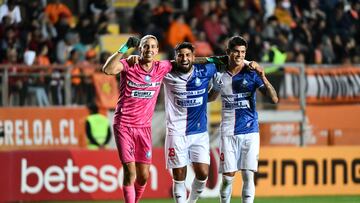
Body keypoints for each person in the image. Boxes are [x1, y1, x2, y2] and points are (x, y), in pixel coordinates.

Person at [102, 35, 172, 203]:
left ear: (157, 50)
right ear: (140, 49)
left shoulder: (162, 67)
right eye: (145, 46)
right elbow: (108, 69)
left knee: (143, 176)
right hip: (124, 125)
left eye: (152, 46)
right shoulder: (129, 64)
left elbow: (187, 62)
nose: (149, 49)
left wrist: (211, 60)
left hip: (144, 128)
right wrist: (125, 48)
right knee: (130, 172)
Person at [211, 36, 278, 203]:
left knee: (248, 175)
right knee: (228, 178)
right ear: (228, 52)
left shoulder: (252, 74)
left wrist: (263, 76)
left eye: (243, 52)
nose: (240, 55)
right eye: (236, 52)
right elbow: (210, 98)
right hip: (228, 131)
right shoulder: (219, 73)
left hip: (250, 131)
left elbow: (274, 99)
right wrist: (216, 88)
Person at [163, 42, 217, 203]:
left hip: (199, 132)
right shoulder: (167, 73)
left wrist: (250, 64)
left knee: (203, 174)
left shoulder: (206, 70)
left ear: (194, 57)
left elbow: (227, 61)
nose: (184, 58)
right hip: (176, 132)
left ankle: (191, 201)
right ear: (175, 57)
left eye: (187, 55)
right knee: (179, 176)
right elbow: (148, 65)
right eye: (180, 55)